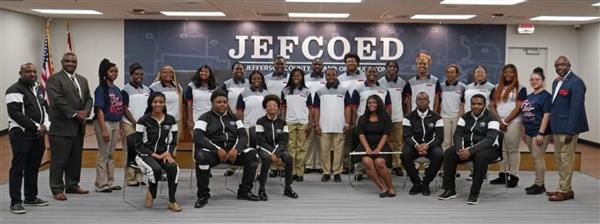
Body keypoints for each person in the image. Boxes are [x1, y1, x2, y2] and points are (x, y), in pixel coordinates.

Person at [193, 90, 260, 208]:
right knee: (201, 157)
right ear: (212, 103)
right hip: (213, 154)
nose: (222, 104)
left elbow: (243, 136)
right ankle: (203, 195)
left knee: (253, 155)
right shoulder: (204, 117)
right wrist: (216, 149)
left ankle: (244, 191)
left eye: (224, 102)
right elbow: (197, 137)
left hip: (233, 154)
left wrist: (236, 149)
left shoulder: (235, 118)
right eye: (218, 102)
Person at [438, 94, 500, 205]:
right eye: (473, 104)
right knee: (449, 153)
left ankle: (474, 193)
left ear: (485, 105)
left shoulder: (492, 118)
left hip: (489, 149)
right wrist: (459, 150)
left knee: (480, 157)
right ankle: (449, 189)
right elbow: (457, 134)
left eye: (479, 104)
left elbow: (490, 139)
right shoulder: (465, 116)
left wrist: (470, 151)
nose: (476, 106)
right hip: (467, 148)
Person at [46, 52, 93, 200]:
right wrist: (74, 113)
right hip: (61, 127)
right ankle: (57, 189)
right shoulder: (54, 79)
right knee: (59, 160)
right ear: (62, 62)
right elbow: (57, 100)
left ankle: (72, 185)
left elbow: (88, 99)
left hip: (79, 127)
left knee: (75, 159)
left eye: (73, 61)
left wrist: (86, 111)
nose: (70, 63)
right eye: (67, 61)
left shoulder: (82, 80)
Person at [6, 63, 50, 214]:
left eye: (34, 71)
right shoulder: (14, 90)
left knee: (33, 166)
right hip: (21, 134)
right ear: (20, 73)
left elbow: (46, 109)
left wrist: (46, 125)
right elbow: (15, 114)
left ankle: (31, 197)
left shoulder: (39, 88)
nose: (32, 74)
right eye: (27, 71)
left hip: (38, 135)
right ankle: (15, 202)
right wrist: (37, 127)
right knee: (18, 168)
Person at [547, 56, 588, 201]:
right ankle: (564, 188)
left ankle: (564, 190)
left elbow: (577, 108)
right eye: (557, 65)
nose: (559, 67)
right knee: (559, 159)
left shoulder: (576, 82)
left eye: (563, 65)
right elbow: (556, 107)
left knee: (566, 159)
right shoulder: (555, 82)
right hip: (557, 128)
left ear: (569, 66)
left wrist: (572, 130)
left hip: (568, 129)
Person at [134, 92, 181, 212]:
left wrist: (168, 153)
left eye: (161, 102)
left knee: (173, 168)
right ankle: (152, 192)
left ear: (164, 103)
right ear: (150, 104)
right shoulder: (143, 120)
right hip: (145, 155)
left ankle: (172, 201)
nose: (158, 104)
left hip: (164, 154)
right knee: (155, 169)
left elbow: (173, 141)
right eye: (155, 102)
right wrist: (154, 155)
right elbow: (138, 145)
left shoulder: (170, 120)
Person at [255, 94, 299, 200]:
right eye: (269, 105)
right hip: (264, 148)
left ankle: (288, 188)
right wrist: (272, 154)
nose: (272, 107)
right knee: (266, 159)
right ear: (265, 108)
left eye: (274, 105)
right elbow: (260, 141)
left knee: (288, 158)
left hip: (279, 149)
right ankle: (261, 189)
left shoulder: (283, 123)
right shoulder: (260, 121)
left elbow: (284, 141)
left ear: (278, 108)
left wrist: (277, 154)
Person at [489, 64, 527, 188]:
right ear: (503, 74)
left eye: (511, 72)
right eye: (506, 72)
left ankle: (514, 176)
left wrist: (506, 121)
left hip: (514, 123)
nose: (508, 74)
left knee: (513, 149)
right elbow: (492, 105)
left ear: (515, 73)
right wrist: (500, 121)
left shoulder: (521, 88)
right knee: (503, 149)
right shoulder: (496, 87)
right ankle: (503, 174)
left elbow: (518, 107)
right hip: (500, 122)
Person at [401, 92, 444, 196]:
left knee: (439, 154)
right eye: (419, 99)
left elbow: (439, 137)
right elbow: (407, 136)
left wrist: (427, 145)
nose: (422, 100)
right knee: (404, 154)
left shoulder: (437, 117)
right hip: (413, 145)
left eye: (424, 99)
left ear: (429, 101)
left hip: (431, 146)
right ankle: (416, 183)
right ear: (415, 102)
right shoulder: (408, 117)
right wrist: (417, 146)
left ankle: (425, 183)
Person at [313, 68, 352, 182]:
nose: (331, 77)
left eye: (333, 75)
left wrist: (347, 123)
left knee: (339, 151)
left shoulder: (344, 91)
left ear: (336, 76)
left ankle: (337, 172)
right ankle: (326, 172)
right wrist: (316, 124)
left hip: (339, 126)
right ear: (325, 76)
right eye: (328, 75)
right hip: (324, 126)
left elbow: (348, 108)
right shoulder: (319, 92)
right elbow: (316, 109)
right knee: (324, 151)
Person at [92, 59, 124, 193]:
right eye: (111, 71)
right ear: (105, 73)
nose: (114, 74)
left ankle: (110, 182)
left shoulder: (116, 89)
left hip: (116, 122)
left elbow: (120, 108)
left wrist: (121, 126)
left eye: (116, 71)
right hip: (104, 123)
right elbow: (99, 110)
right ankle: (100, 184)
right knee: (103, 154)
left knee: (111, 154)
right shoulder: (101, 89)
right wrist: (104, 129)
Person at [356, 95, 396, 197]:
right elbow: (361, 135)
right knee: (367, 161)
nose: (371, 105)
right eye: (369, 103)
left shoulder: (385, 117)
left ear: (378, 104)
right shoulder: (363, 118)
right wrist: (367, 148)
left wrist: (378, 149)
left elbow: (386, 134)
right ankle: (382, 187)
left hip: (381, 145)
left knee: (379, 162)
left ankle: (390, 188)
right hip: (366, 146)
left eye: (374, 102)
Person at [520, 67, 551, 195]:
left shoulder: (546, 96)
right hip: (528, 131)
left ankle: (539, 185)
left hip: (539, 132)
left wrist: (541, 133)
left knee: (538, 157)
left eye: (537, 79)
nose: (534, 81)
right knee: (535, 158)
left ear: (542, 80)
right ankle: (539, 183)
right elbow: (524, 113)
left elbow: (547, 115)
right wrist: (523, 130)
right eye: (532, 79)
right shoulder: (530, 96)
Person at [121, 63, 151, 186]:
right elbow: (124, 108)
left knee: (141, 151)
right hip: (129, 123)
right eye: (136, 74)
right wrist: (134, 122)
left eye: (141, 74)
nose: (139, 76)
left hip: (143, 125)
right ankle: (130, 178)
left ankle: (139, 177)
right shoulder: (125, 90)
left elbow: (150, 107)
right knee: (130, 150)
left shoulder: (147, 89)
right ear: (131, 75)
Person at [378, 60, 409, 177]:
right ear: (386, 69)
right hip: (383, 119)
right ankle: (384, 165)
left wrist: (405, 115)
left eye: (394, 67)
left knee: (397, 143)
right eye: (389, 66)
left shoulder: (402, 83)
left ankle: (397, 166)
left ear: (397, 69)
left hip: (398, 117)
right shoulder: (380, 82)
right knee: (384, 143)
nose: (392, 69)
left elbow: (406, 102)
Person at [281, 68, 313, 181]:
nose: (296, 78)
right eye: (294, 75)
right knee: (290, 149)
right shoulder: (285, 91)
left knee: (301, 149)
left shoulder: (307, 91)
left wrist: (310, 123)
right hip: (289, 123)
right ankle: (291, 172)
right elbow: (283, 108)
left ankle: (299, 172)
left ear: (302, 77)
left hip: (303, 123)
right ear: (291, 77)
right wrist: (283, 121)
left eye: (298, 76)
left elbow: (310, 109)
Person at [338, 53, 366, 173]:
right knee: (347, 140)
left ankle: (361, 166)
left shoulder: (365, 76)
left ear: (358, 63)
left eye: (353, 61)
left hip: (361, 113)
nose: (351, 63)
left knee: (361, 140)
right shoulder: (340, 78)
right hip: (345, 112)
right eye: (348, 61)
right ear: (345, 64)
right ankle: (346, 164)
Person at [221, 62, 249, 177]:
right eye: (236, 69)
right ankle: (233, 166)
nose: (239, 71)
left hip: (248, 117)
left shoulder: (249, 83)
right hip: (231, 118)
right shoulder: (226, 84)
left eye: (241, 69)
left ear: (244, 71)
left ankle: (247, 167)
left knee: (246, 142)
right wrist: (230, 115)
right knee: (233, 143)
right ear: (232, 71)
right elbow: (222, 100)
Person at [149, 65, 184, 139]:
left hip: (176, 121)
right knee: (161, 145)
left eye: (170, 72)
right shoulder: (154, 87)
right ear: (160, 74)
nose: (168, 74)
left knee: (173, 145)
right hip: (161, 121)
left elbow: (181, 105)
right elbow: (149, 105)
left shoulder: (178, 87)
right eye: (164, 72)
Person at [304, 58, 326, 174]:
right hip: (307, 110)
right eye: (315, 64)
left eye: (319, 64)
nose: (317, 66)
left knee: (320, 140)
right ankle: (308, 164)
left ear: (323, 66)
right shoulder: (305, 78)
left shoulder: (327, 78)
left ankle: (320, 164)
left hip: (322, 111)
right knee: (309, 139)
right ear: (311, 66)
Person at [440, 64, 466, 151]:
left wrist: (460, 117)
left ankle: (454, 160)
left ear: (457, 74)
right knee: (446, 142)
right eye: (448, 72)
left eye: (452, 72)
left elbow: (463, 104)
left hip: (456, 117)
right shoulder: (441, 86)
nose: (450, 74)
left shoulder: (462, 87)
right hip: (444, 117)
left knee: (456, 141)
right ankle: (445, 160)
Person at [185, 65, 218, 131]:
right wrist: (190, 120)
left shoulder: (215, 87)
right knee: (197, 140)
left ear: (210, 74)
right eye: (202, 71)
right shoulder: (191, 86)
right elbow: (189, 105)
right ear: (198, 72)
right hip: (196, 117)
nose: (204, 73)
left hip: (212, 118)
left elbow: (217, 104)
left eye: (206, 71)